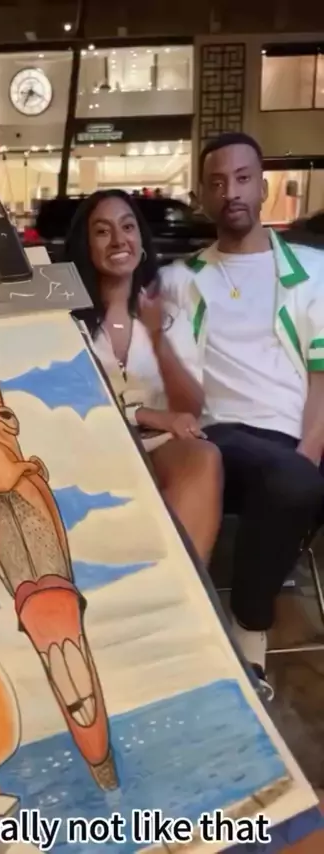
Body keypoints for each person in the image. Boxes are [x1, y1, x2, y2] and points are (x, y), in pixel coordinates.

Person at [159, 131, 324, 697]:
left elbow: (322, 377)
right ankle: (249, 632)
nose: (231, 191)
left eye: (243, 178)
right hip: (220, 437)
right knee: (293, 481)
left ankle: (243, 624)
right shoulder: (181, 279)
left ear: (263, 187)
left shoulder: (313, 271)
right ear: (203, 196)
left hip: (293, 442)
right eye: (218, 182)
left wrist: (308, 453)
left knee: (295, 479)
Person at [63, 189, 222, 565]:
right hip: (91, 441)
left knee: (204, 457)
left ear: (141, 240)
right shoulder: (65, 319)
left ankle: (183, 587)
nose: (119, 240)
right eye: (103, 231)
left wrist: (156, 338)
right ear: (86, 246)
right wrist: (145, 414)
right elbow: (68, 399)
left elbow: (190, 408)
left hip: (156, 443)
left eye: (128, 227)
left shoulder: (168, 314)